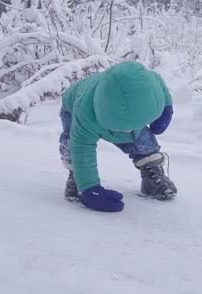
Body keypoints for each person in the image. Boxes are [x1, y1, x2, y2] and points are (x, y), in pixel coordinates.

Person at [59, 61, 177, 212]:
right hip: (73, 108)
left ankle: (151, 175)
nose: (128, 133)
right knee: (72, 144)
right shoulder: (85, 112)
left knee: (144, 140)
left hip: (122, 106)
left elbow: (157, 82)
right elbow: (82, 148)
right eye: (124, 129)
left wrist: (166, 108)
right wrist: (89, 188)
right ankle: (77, 178)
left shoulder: (144, 81)